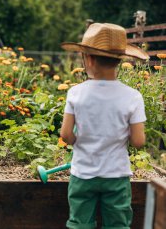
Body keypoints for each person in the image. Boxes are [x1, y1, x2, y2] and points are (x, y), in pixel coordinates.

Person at [60, 23, 148, 229]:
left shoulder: (75, 93)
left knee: (79, 224)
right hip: (116, 176)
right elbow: (138, 141)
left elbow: (65, 134)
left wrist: (76, 139)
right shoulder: (133, 97)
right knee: (117, 224)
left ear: (88, 59)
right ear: (120, 60)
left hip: (82, 174)